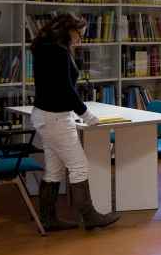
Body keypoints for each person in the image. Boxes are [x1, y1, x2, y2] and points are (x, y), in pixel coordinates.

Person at [30, 13, 119, 231]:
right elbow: (66, 90)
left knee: (54, 171)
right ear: (68, 30)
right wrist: (87, 115)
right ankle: (90, 217)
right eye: (79, 33)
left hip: (44, 115)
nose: (80, 39)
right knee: (79, 167)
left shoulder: (43, 48)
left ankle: (48, 220)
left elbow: (56, 87)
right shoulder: (59, 52)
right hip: (56, 118)